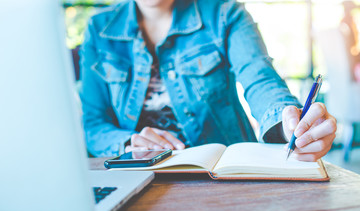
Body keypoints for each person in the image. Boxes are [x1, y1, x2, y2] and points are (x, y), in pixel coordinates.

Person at [80, 0, 337, 162]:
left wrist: (287, 124)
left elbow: (260, 80)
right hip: (139, 175)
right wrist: (128, 141)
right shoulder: (98, 28)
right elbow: (93, 124)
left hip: (222, 174)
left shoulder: (226, 14)